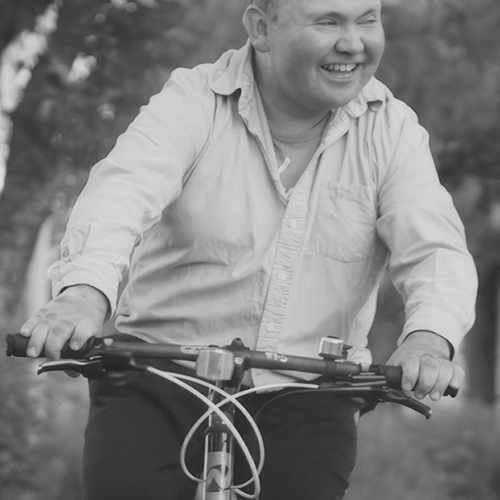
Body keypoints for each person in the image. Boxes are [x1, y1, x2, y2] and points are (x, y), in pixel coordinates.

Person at [20, 0, 478, 499]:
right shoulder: (192, 102)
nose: (353, 42)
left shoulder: (392, 131)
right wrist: (83, 294)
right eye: (327, 21)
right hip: (158, 380)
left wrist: (427, 340)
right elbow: (120, 193)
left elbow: (434, 247)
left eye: (367, 19)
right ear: (260, 28)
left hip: (310, 393)